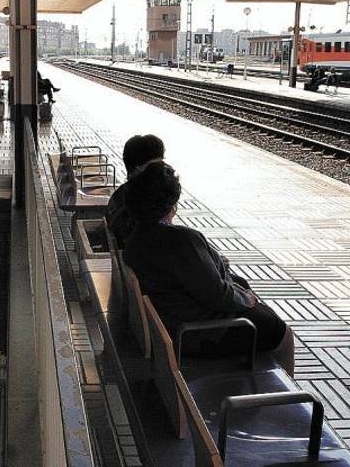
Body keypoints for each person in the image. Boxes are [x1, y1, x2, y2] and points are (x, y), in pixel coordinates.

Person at [122, 162, 295, 375]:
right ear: (172, 204)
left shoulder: (135, 240)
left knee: (255, 306)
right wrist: (245, 299)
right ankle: (290, 403)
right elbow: (217, 294)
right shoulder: (181, 240)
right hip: (198, 333)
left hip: (171, 323)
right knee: (281, 331)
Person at [106, 134, 165, 249]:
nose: (163, 169)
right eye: (158, 164)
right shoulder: (146, 202)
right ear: (142, 168)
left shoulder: (120, 194)